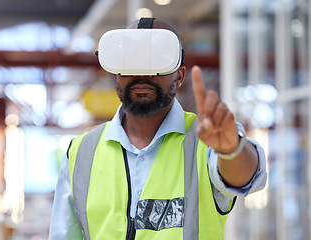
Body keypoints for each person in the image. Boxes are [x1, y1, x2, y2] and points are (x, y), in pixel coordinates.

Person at [49, 18, 267, 240]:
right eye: (130, 62)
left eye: (156, 61)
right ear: (116, 73)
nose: (141, 74)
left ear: (179, 76)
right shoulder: (82, 152)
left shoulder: (208, 140)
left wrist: (231, 149)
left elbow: (245, 178)